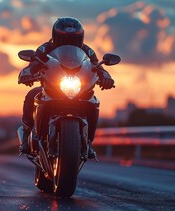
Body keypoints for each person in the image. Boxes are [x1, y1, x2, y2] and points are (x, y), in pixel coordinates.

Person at [18, 17, 115, 157]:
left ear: (80, 38)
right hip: (52, 87)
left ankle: (88, 142)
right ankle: (27, 134)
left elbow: (96, 66)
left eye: (73, 39)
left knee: (93, 100)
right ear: (55, 36)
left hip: (78, 88)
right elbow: (33, 63)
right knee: (32, 94)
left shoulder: (88, 51)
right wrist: (26, 73)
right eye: (64, 39)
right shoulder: (45, 48)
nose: (69, 42)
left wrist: (106, 77)